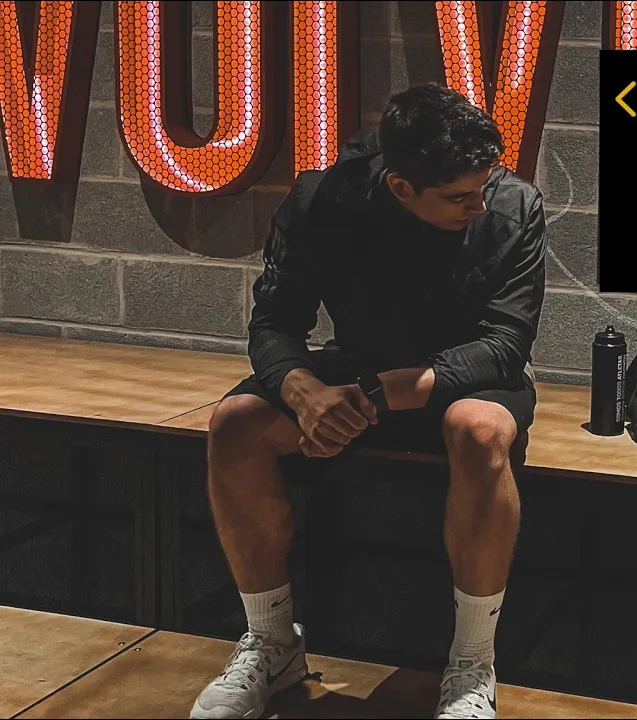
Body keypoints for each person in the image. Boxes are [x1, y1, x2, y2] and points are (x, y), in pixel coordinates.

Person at [188, 83, 546, 720]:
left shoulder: (514, 207)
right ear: (401, 186)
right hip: (361, 367)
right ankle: (272, 643)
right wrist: (305, 394)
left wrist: (372, 398)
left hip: (464, 376)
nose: (479, 203)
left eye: (485, 185)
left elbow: (505, 346)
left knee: (480, 431)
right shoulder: (322, 200)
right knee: (235, 423)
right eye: (459, 197)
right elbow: (273, 323)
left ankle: (472, 663)